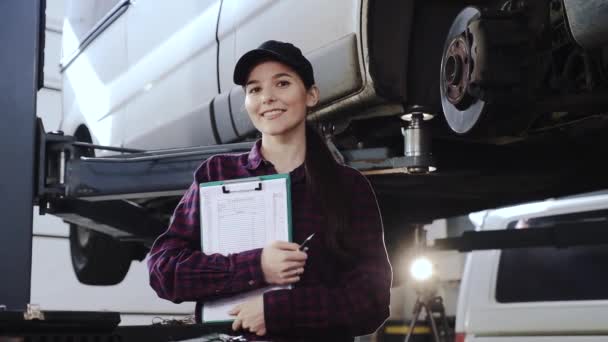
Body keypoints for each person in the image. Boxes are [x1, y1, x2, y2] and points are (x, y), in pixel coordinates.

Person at [147, 40, 392, 341]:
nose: (268, 98)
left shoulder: (349, 187)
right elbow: (163, 270)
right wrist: (257, 265)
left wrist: (279, 310)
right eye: (255, 89)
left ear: (311, 95)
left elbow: (372, 300)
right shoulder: (217, 174)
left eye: (282, 83)